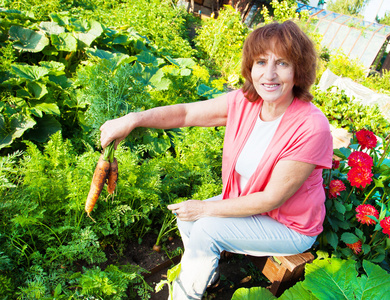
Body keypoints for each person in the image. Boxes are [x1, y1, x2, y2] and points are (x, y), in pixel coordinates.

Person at [100, 20, 333, 300]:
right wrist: (133, 119)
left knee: (207, 227)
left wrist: (204, 209)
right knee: (186, 220)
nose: (269, 74)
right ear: (250, 67)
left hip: (288, 225)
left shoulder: (310, 126)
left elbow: (271, 199)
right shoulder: (246, 102)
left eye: (282, 63)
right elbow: (185, 114)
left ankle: (185, 295)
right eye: (261, 62)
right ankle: (208, 277)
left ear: (299, 70)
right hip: (253, 206)